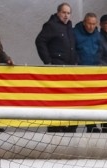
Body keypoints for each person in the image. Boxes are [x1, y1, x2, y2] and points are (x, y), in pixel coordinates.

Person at [35, 3, 78, 134]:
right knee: (57, 98)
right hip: (57, 68)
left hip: (69, 69)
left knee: (69, 99)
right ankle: (55, 126)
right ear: (58, 12)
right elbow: (40, 41)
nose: (66, 15)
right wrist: (48, 61)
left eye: (68, 13)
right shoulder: (51, 25)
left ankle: (69, 125)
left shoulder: (69, 27)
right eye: (64, 13)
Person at [74, 12, 101, 133]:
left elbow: (101, 51)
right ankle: (72, 126)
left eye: (94, 24)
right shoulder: (75, 33)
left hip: (93, 73)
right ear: (84, 22)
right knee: (77, 101)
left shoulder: (98, 35)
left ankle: (92, 125)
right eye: (89, 24)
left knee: (92, 100)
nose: (91, 27)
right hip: (78, 73)